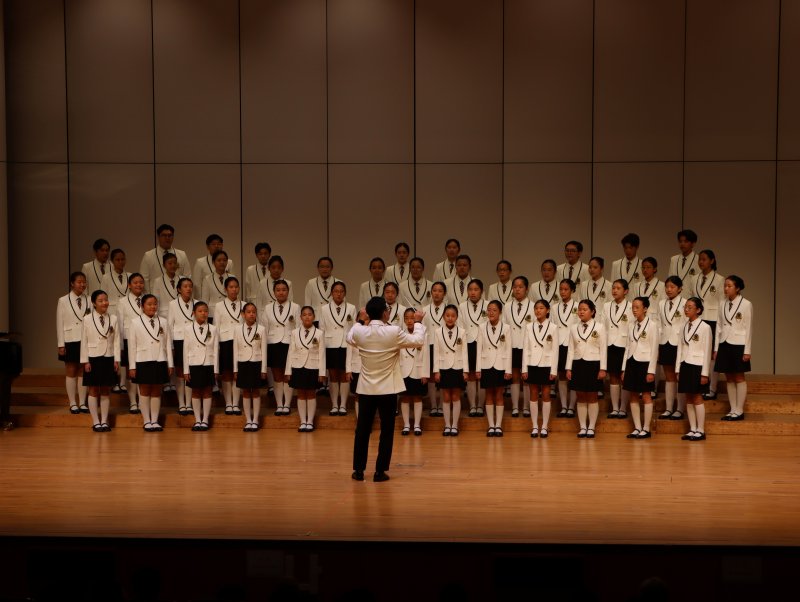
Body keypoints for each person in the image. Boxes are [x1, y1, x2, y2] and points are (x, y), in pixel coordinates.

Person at [347, 297, 426, 482]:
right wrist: (418, 322)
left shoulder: (359, 330)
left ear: (368, 313)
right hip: (388, 389)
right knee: (387, 430)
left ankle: (358, 471)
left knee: (362, 431)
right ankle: (379, 472)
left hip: (366, 389)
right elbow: (418, 340)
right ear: (384, 313)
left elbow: (349, 337)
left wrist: (360, 319)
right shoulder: (393, 331)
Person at [128, 294, 173, 432]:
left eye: (155, 304)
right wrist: (132, 366)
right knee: (145, 390)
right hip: (142, 359)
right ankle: (146, 420)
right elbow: (132, 346)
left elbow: (167, 344)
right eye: (149, 304)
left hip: (160, 359)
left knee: (156, 391)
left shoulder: (163, 322)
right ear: (142, 306)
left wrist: (170, 363)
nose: (153, 306)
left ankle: (155, 420)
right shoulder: (135, 322)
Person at [565, 300, 607, 438]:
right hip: (578, 364)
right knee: (580, 396)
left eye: (584, 309)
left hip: (594, 364)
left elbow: (603, 349)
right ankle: (583, 427)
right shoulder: (573, 327)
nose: (581, 312)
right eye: (579, 309)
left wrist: (603, 368)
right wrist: (568, 368)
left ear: (592, 311)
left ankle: (591, 427)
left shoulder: (600, 327)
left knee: (592, 396)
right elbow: (571, 349)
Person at [80, 290, 120, 432]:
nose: (104, 303)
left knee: (105, 390)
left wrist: (117, 359)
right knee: (93, 390)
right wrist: (85, 361)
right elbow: (83, 341)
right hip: (92, 357)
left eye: (106, 300)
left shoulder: (113, 318)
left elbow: (116, 340)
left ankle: (104, 421)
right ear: (94, 303)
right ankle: (95, 421)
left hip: (108, 357)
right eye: (101, 301)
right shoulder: (87, 319)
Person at [714, 275, 753, 421]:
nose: (726, 288)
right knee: (729, 377)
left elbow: (749, 328)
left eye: (729, 286)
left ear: (737, 288)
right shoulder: (722, 303)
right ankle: (732, 409)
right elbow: (718, 326)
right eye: (725, 285)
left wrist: (747, 350)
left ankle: (739, 410)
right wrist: (716, 347)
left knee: (738, 377)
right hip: (724, 342)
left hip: (739, 344)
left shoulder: (746, 304)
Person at [621, 297, 659, 439]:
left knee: (646, 395)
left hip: (645, 362)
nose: (634, 310)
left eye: (637, 307)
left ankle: (646, 428)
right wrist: (624, 369)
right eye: (633, 307)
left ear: (645, 308)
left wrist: (651, 370)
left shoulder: (652, 325)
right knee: (633, 395)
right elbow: (627, 347)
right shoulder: (631, 324)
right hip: (631, 362)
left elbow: (655, 349)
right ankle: (637, 427)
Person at [676, 297, 712, 441]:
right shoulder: (683, 326)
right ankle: (692, 429)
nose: (686, 309)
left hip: (697, 365)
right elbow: (680, 348)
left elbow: (707, 351)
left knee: (697, 397)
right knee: (688, 397)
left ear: (698, 310)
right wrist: (678, 368)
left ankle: (701, 430)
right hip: (685, 363)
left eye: (690, 307)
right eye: (685, 307)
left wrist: (705, 373)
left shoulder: (705, 327)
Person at [262, 279, 300, 415]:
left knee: (287, 375)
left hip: (289, 344)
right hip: (273, 343)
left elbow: (298, 328)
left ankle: (287, 405)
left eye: (284, 290)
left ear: (288, 291)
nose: (281, 292)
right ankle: (279, 405)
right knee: (277, 376)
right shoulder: (267, 308)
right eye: (278, 290)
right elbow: (265, 329)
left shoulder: (295, 307)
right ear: (274, 292)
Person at [286, 306, 326, 432]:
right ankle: (303, 421)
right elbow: (290, 352)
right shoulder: (294, 332)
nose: (307, 317)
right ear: (300, 317)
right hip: (298, 366)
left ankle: (310, 422)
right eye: (304, 314)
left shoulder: (319, 333)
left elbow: (322, 353)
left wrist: (322, 372)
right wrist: (288, 370)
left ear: (314, 317)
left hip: (313, 367)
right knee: (301, 394)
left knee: (311, 393)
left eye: (310, 314)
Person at [522, 300, 559, 438]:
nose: (538, 311)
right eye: (536, 308)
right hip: (532, 363)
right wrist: (524, 369)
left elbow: (555, 351)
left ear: (547, 310)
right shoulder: (529, 326)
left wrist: (553, 370)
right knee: (533, 393)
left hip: (547, 364)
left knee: (546, 394)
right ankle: (534, 426)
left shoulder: (553, 327)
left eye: (541, 308)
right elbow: (526, 348)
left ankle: (544, 426)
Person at [691, 250, 725, 400]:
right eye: (699, 259)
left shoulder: (719, 279)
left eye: (704, 259)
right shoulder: (694, 279)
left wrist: (720, 322)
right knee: (698, 352)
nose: (701, 262)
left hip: (713, 318)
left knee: (712, 355)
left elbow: (722, 302)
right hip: (698, 318)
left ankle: (712, 388)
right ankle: (699, 385)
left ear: (712, 261)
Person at [319, 282, 356, 415]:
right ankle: (334, 405)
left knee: (345, 376)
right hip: (330, 344)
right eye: (336, 291)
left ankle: (343, 405)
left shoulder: (351, 308)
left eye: (341, 291)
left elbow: (353, 328)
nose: (339, 294)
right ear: (331, 293)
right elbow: (321, 329)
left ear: (345, 293)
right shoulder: (324, 309)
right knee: (333, 376)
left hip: (346, 345)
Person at [477, 300, 512, 436]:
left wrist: (508, 370)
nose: (491, 313)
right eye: (489, 310)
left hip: (501, 365)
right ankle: (491, 425)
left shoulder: (506, 328)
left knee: (499, 395)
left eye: (494, 310)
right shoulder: (481, 327)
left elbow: (508, 350)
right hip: (486, 365)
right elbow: (479, 349)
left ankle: (498, 426)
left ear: (500, 312)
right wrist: (478, 369)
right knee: (489, 395)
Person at [432, 304, 468, 436]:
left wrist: (465, 371)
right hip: (443, 367)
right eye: (447, 315)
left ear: (457, 317)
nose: (450, 318)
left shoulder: (462, 332)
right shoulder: (437, 332)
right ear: (443, 317)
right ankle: (447, 425)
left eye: (453, 316)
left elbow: (464, 352)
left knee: (456, 396)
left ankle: (455, 425)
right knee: (446, 397)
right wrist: (436, 371)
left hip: (458, 367)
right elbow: (436, 352)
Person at [502, 276, 535, 418]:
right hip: (512, 345)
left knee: (526, 377)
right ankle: (515, 407)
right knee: (514, 376)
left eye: (521, 286)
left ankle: (526, 407)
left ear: (527, 289)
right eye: (515, 286)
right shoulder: (507, 306)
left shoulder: (534, 306)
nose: (517, 289)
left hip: (528, 346)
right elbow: (503, 327)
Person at [57, 271, 89, 414]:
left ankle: (82, 402)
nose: (82, 284)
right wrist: (61, 344)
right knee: (71, 370)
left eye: (84, 282)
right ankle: (72, 403)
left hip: (85, 339)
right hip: (70, 339)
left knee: (83, 370)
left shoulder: (89, 299)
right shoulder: (63, 300)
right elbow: (59, 323)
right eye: (79, 282)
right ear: (72, 283)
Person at [183, 301, 218, 432]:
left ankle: (205, 420)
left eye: (206, 311)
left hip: (209, 363)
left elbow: (215, 350)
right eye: (200, 311)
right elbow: (185, 350)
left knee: (208, 391)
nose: (203, 313)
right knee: (196, 392)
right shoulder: (188, 329)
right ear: (194, 313)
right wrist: (186, 369)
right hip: (194, 364)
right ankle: (197, 419)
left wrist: (216, 369)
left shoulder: (213, 328)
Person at [234, 303, 268, 432]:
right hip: (243, 363)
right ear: (243, 314)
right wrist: (235, 369)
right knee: (246, 392)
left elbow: (264, 350)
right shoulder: (237, 329)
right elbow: (235, 350)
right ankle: (248, 420)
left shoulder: (261, 329)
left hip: (256, 362)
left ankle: (256, 420)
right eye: (248, 312)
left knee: (256, 391)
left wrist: (263, 369)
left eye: (254, 311)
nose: (251, 314)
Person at [657, 276, 687, 420]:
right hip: (665, 342)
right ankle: (669, 408)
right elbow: (658, 324)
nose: (669, 290)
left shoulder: (685, 303)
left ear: (680, 288)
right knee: (669, 377)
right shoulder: (661, 303)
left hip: (679, 343)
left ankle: (680, 409)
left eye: (672, 287)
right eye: (667, 286)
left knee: (679, 376)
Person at [602, 279, 633, 419]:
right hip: (610, 345)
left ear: (625, 291)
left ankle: (623, 408)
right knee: (613, 377)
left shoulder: (631, 306)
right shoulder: (606, 305)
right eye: (613, 288)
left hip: (625, 345)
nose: (614, 290)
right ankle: (615, 408)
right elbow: (603, 327)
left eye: (618, 288)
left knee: (624, 377)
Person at [167, 278, 197, 414]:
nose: (188, 289)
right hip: (179, 340)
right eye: (185, 286)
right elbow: (169, 326)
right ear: (179, 289)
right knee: (180, 372)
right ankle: (181, 403)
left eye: (190, 286)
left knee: (190, 372)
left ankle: (189, 403)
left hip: (194, 341)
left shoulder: (197, 303)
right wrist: (171, 346)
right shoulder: (173, 304)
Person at [399, 308, 429, 436]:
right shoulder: (400, 334)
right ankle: (406, 425)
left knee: (417, 397)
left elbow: (426, 355)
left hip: (418, 370)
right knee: (404, 398)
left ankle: (416, 425)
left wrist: (425, 373)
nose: (409, 320)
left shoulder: (423, 334)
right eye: (407, 318)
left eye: (412, 318)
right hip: (403, 370)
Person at [117, 273, 146, 412]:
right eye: (135, 282)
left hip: (146, 339)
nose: (138, 285)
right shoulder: (122, 301)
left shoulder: (148, 299)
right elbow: (120, 325)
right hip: (129, 339)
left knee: (142, 371)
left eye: (141, 282)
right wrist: (121, 345)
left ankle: (143, 401)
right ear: (129, 285)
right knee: (131, 371)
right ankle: (133, 401)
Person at [215, 277, 244, 415]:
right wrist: (218, 346)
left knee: (237, 373)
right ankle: (228, 403)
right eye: (231, 287)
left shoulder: (244, 305)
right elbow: (216, 327)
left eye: (236, 287)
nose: (234, 289)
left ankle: (236, 404)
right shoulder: (219, 306)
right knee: (226, 373)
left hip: (240, 342)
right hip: (225, 341)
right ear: (225, 289)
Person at [459, 280, 487, 417]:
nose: (473, 292)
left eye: (476, 289)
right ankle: (472, 406)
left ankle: (480, 405)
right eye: (470, 289)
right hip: (468, 343)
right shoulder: (461, 306)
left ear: (481, 291)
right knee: (470, 375)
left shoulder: (488, 305)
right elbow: (460, 327)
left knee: (480, 375)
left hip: (484, 344)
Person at [553, 278, 578, 417]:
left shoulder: (578, 305)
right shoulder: (554, 307)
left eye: (566, 289)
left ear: (572, 290)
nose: (563, 292)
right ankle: (564, 406)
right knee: (561, 375)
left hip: (573, 344)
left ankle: (572, 406)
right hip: (559, 344)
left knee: (572, 375)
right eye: (561, 289)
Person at [139, 224, 190, 293]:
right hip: (156, 295)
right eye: (164, 235)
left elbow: (187, 276)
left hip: (178, 295)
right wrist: (149, 297)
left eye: (170, 235)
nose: (167, 238)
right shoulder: (148, 255)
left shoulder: (182, 255)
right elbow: (144, 279)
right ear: (158, 237)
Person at [422, 281, 448, 416]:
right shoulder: (424, 310)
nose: (437, 293)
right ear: (431, 293)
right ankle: (433, 406)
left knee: (443, 376)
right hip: (430, 345)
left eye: (440, 291)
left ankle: (443, 406)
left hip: (445, 346)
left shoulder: (449, 309)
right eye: (434, 290)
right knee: (432, 376)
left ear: (444, 294)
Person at [202, 250, 235, 321]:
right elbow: (205, 300)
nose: (222, 262)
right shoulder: (207, 278)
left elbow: (235, 297)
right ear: (213, 262)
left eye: (224, 260)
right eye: (219, 260)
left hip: (229, 312)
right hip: (212, 313)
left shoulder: (232, 277)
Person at [669, 229, 699, 297]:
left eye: (686, 241)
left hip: (690, 298)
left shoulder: (698, 260)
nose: (682, 244)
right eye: (680, 241)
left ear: (693, 243)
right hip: (675, 298)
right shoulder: (674, 259)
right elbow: (670, 280)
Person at [610, 233, 642, 298]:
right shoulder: (616, 264)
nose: (628, 250)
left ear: (637, 247)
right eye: (625, 248)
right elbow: (612, 284)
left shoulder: (642, 265)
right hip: (619, 301)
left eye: (630, 248)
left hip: (635, 301)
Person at [100, 248, 130, 314]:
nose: (120, 262)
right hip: (112, 310)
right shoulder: (106, 277)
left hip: (127, 309)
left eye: (122, 259)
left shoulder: (130, 276)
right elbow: (103, 296)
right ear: (112, 261)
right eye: (117, 260)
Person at [151, 253, 180, 319]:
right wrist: (155, 317)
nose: (173, 265)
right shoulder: (158, 281)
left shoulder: (182, 279)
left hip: (180, 313)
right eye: (170, 263)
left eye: (175, 263)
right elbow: (155, 300)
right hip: (164, 315)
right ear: (164, 265)